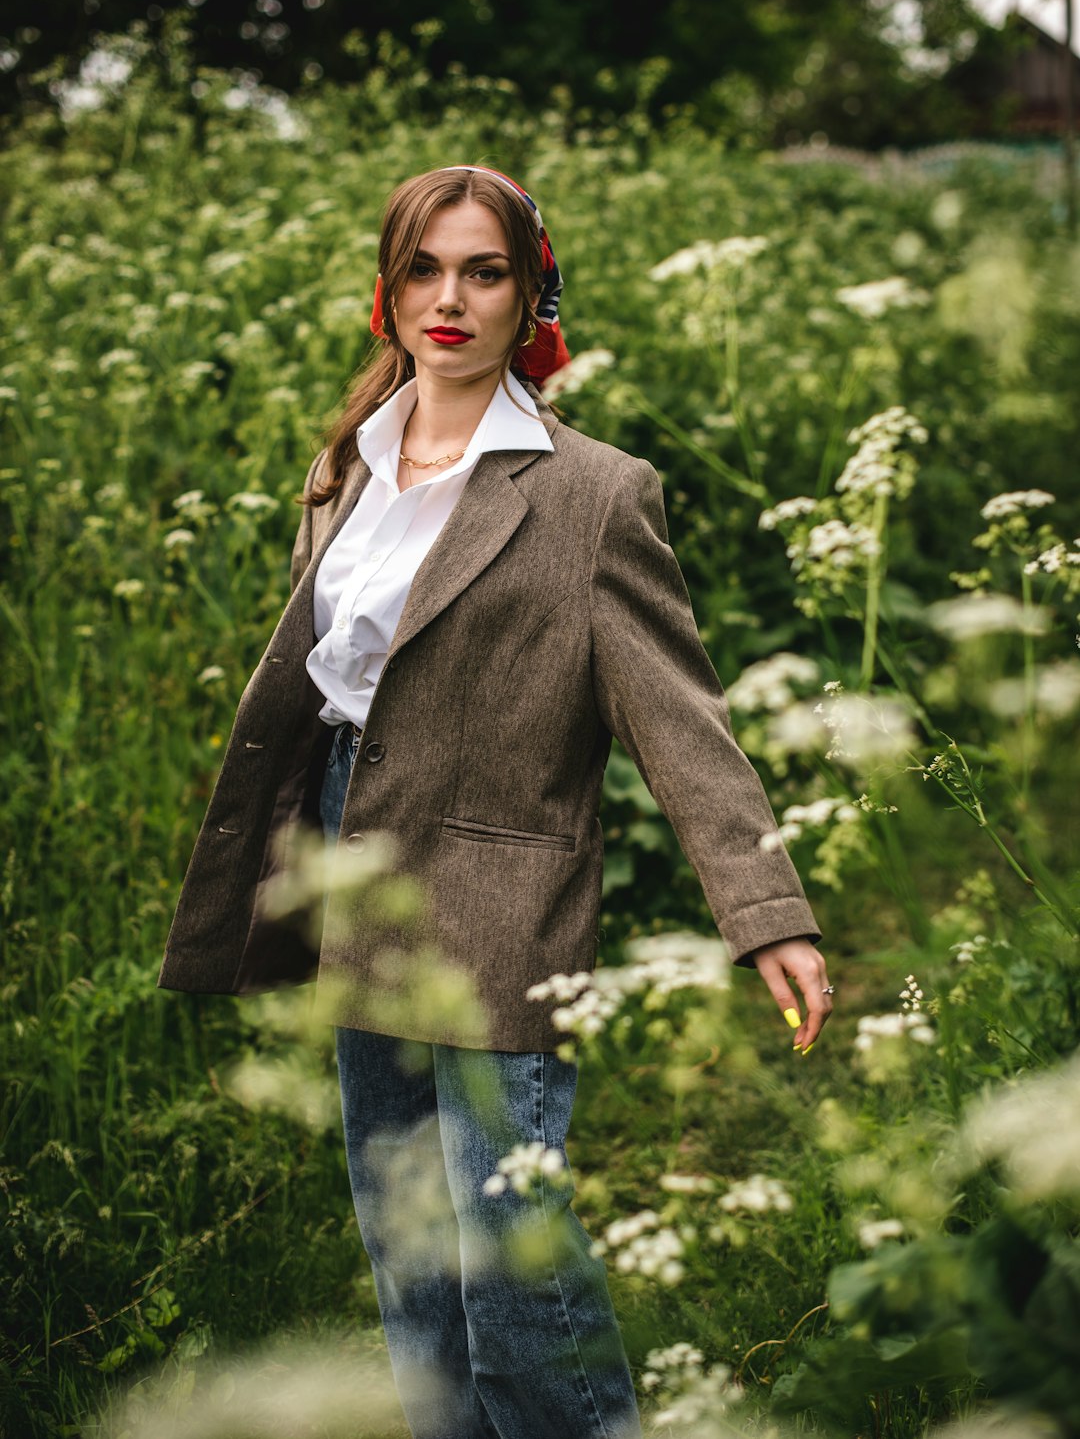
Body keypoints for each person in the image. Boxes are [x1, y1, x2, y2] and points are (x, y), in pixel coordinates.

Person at [158, 164, 833, 1439]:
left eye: (484, 272)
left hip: (500, 881)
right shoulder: (344, 466)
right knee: (407, 1238)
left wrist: (767, 909)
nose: (449, 299)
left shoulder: (591, 491)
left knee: (509, 1250)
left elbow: (679, 719)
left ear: (531, 296)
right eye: (423, 268)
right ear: (387, 291)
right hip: (355, 859)